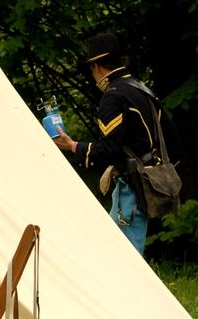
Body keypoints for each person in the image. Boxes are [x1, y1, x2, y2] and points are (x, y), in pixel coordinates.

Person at [53, 32, 160, 255]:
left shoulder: (113, 95)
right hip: (145, 181)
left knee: (126, 259)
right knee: (116, 253)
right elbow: (170, 135)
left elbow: (108, 149)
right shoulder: (142, 89)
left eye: (91, 68)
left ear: (97, 66)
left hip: (132, 185)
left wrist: (74, 146)